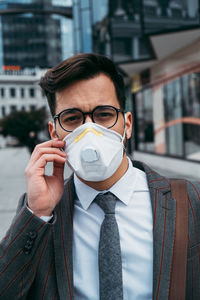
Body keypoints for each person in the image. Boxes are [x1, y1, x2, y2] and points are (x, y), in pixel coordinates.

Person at [0, 53, 199, 300]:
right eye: (72, 119)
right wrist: (38, 212)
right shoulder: (39, 212)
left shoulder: (188, 199)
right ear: (54, 132)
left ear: (127, 125)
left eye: (104, 114)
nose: (89, 130)